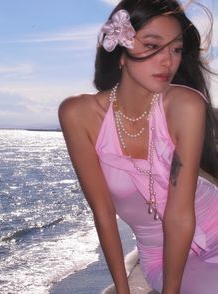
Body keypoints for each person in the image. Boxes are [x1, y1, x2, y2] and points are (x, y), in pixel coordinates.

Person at [59, 0, 218, 293]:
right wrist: (122, 289)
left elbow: (179, 214)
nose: (168, 61)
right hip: (159, 255)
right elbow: (103, 211)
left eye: (176, 49)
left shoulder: (186, 106)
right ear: (120, 54)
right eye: (152, 46)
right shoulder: (77, 114)